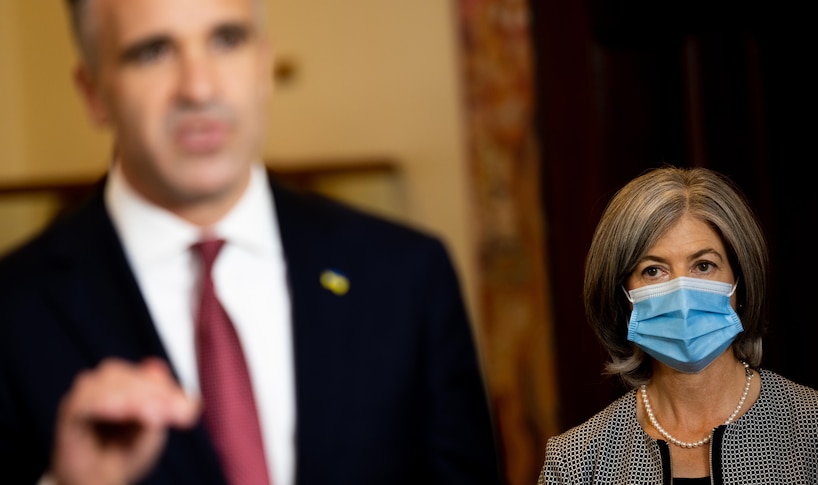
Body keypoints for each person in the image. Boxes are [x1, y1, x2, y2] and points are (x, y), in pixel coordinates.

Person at [0, 0, 502, 483]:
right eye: (153, 51)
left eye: (227, 39)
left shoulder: (406, 276)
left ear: (263, 62)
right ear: (92, 93)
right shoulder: (13, 310)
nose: (199, 88)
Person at [538, 166, 818, 484]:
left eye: (703, 266)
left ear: (740, 283)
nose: (682, 293)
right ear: (624, 295)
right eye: (654, 270)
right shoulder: (575, 463)